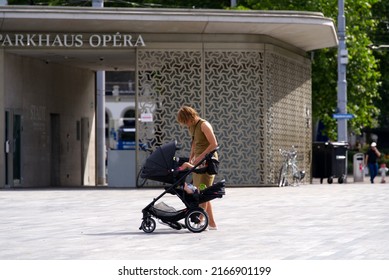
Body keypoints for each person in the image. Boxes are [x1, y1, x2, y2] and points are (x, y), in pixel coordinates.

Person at [177, 106, 219, 230]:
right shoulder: (192, 126)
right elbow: (194, 143)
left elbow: (214, 144)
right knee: (201, 193)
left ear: (190, 116)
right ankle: (211, 224)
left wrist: (200, 156)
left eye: (186, 121)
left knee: (203, 190)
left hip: (207, 163)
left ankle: (199, 220)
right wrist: (191, 157)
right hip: (198, 163)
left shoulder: (204, 125)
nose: (185, 125)